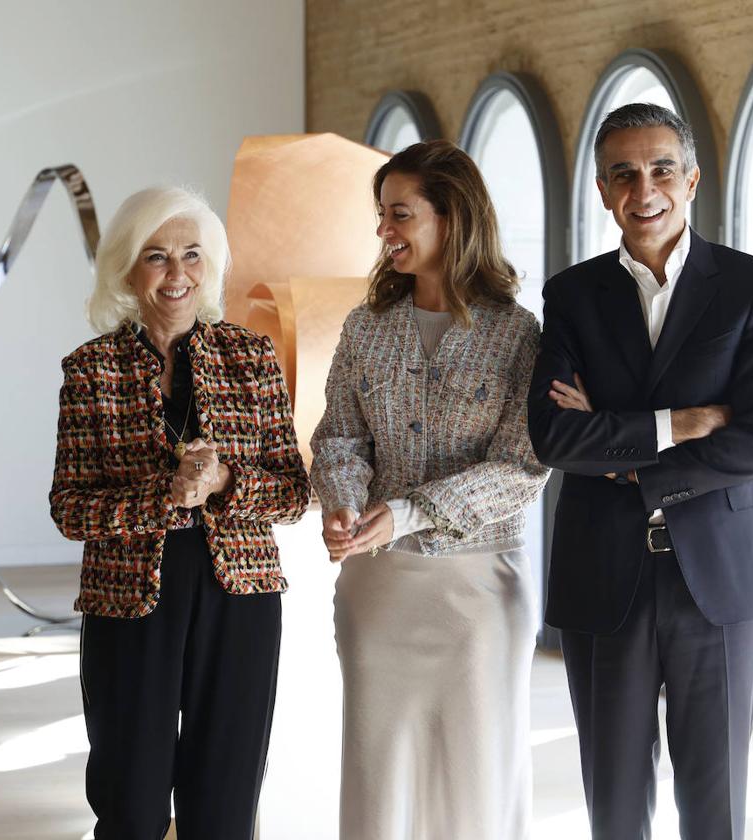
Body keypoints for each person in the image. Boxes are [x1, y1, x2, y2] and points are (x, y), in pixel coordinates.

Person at [528, 102, 753, 840]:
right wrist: (680, 423)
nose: (644, 189)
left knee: (716, 804)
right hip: (604, 572)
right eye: (624, 174)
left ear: (693, 179)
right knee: (613, 803)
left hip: (722, 578)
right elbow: (553, 436)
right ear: (603, 190)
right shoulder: (572, 296)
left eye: (661, 169)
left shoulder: (752, 288)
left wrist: (625, 464)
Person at [49, 186, 310, 840]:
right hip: (129, 601)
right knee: (130, 802)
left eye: (192, 255)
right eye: (157, 257)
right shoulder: (91, 370)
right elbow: (71, 509)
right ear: (128, 270)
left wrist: (224, 482)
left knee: (225, 805)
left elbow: (293, 493)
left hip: (239, 598)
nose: (177, 274)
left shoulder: (251, 359)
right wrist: (161, 497)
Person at [310, 139, 549, 840]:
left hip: (480, 595)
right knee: (379, 774)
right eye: (382, 215)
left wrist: (410, 511)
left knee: (477, 777)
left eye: (400, 215)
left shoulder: (518, 334)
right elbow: (340, 438)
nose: (385, 231)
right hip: (377, 591)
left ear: (453, 217)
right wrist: (344, 503)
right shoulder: (365, 327)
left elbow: (521, 469)